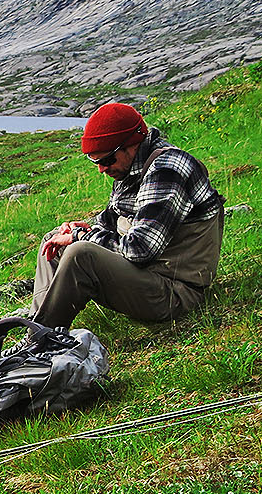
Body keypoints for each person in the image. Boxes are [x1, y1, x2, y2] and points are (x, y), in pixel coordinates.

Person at [33, 102, 224, 329]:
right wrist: (79, 230)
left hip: (175, 291)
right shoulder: (130, 168)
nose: (101, 169)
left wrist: (80, 237)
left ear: (131, 144)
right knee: (54, 240)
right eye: (95, 162)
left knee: (80, 253)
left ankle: (39, 341)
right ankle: (38, 326)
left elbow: (140, 249)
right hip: (147, 277)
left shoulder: (167, 169)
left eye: (106, 160)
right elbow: (110, 221)